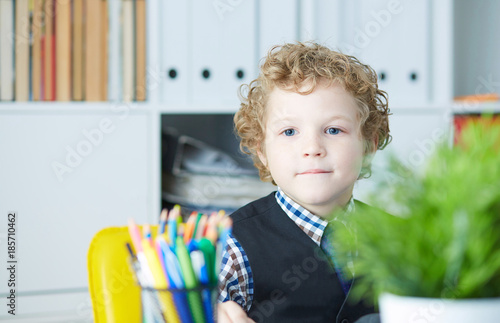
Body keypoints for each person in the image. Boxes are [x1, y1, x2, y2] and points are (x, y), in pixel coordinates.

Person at [217, 42, 391, 323]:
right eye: (289, 131)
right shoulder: (232, 245)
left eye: (333, 130)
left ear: (368, 146)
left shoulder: (401, 239)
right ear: (262, 150)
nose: (312, 147)